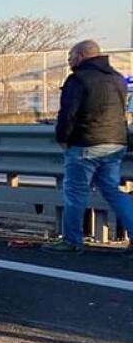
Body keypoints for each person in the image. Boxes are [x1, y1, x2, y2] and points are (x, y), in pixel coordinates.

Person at [44, 40, 133, 254]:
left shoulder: (78, 80)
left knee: (74, 192)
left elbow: (68, 115)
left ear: (82, 55)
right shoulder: (117, 78)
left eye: (71, 57)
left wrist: (63, 138)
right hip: (115, 143)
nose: (69, 61)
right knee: (112, 191)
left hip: (86, 144)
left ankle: (72, 241)